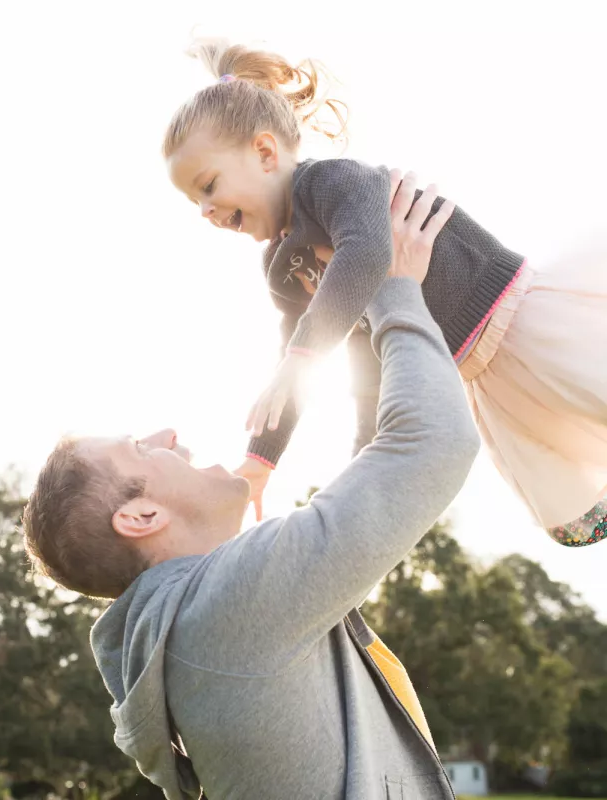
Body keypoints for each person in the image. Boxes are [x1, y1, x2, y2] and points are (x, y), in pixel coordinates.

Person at [22, 178, 480, 799]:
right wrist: (397, 290)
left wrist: (364, 322)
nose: (167, 434)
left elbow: (377, 484)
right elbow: (433, 443)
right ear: (140, 515)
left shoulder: (189, 633)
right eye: (138, 448)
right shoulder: (229, 607)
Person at [164, 39, 607, 548]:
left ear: (265, 153)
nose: (204, 211)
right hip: (483, 376)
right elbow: (332, 366)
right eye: (193, 201)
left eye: (208, 186)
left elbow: (368, 255)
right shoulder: (284, 267)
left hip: (524, 325)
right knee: (573, 505)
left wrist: (302, 351)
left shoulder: (333, 183)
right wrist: (264, 457)